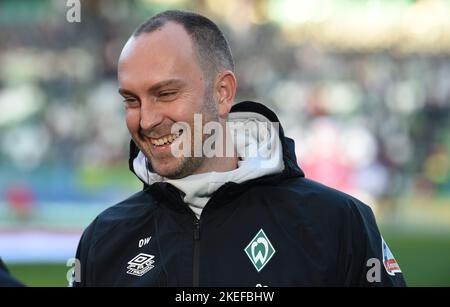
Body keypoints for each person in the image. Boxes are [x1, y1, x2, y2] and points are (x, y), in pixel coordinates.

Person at [73, 10, 406, 287]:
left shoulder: (337, 223)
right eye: (131, 100)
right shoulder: (102, 240)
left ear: (222, 93)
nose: (145, 120)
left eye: (165, 94)